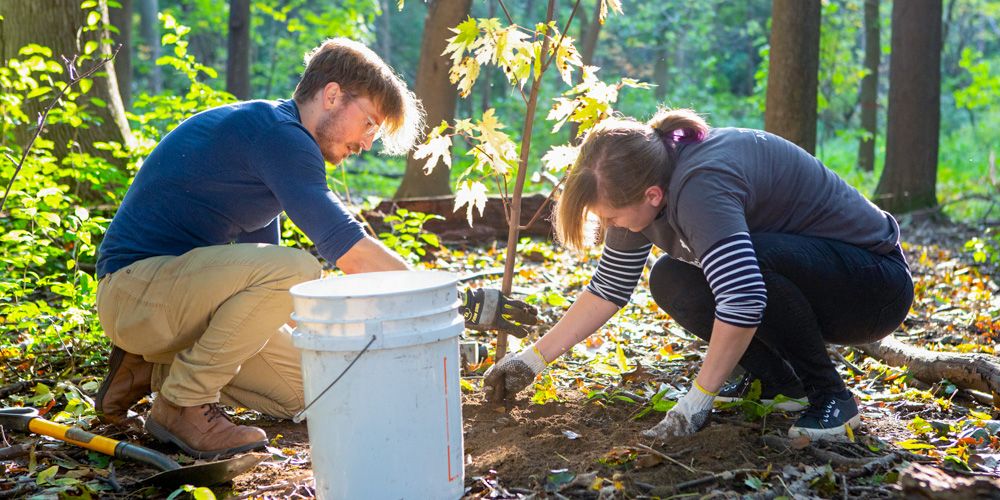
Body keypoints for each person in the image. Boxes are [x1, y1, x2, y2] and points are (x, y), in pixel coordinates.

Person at [93, 38, 536, 459]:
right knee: (298, 269)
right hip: (134, 290)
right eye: (369, 124)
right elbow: (348, 251)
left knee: (317, 390)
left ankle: (152, 370)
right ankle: (182, 404)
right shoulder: (279, 135)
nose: (366, 143)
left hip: (167, 305)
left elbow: (272, 303)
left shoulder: (269, 154)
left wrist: (371, 340)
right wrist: (457, 303)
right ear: (331, 95)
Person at [484, 109, 913, 441]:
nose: (612, 225)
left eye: (612, 216)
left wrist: (696, 402)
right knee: (670, 277)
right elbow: (608, 289)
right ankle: (781, 384)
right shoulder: (644, 182)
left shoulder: (700, 184)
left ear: (651, 196)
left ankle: (831, 397)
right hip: (818, 278)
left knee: (747, 267)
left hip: (873, 287)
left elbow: (743, 298)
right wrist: (531, 360)